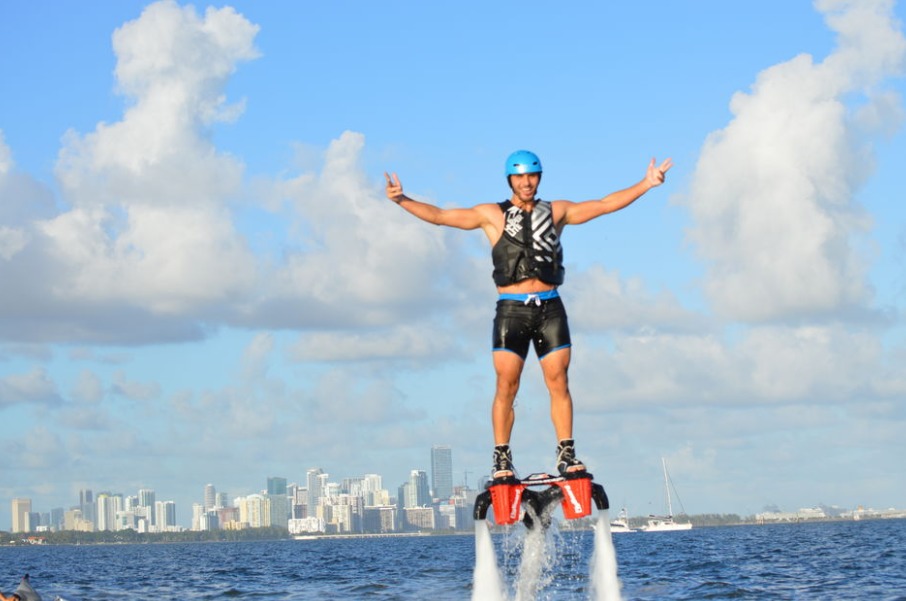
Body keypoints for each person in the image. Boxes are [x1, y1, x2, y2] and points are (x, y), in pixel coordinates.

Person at [385, 150, 672, 480]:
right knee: (507, 385)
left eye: (532, 176)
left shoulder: (557, 212)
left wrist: (647, 184)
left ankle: (566, 453)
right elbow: (439, 216)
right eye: (520, 177)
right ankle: (502, 458)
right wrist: (402, 200)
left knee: (559, 381)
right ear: (510, 179)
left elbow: (605, 204)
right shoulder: (491, 215)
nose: (526, 182)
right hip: (512, 311)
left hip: (550, 308)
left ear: (539, 178)